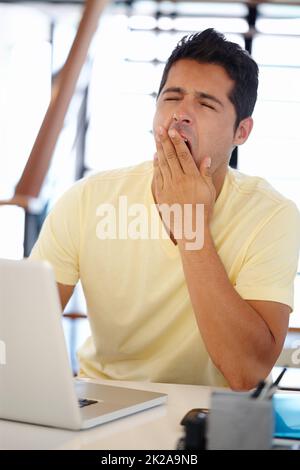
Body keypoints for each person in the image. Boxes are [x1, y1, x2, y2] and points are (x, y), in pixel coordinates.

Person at [30, 28, 300, 390]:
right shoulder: (87, 200)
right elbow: (21, 333)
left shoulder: (272, 216)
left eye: (205, 104)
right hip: (102, 399)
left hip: (207, 416)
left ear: (242, 132)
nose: (181, 115)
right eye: (172, 98)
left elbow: (246, 372)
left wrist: (192, 226)